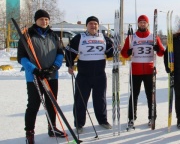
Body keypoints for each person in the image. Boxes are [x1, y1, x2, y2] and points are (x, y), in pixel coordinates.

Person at [17, 9, 66, 144]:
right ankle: (30, 132)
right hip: (34, 77)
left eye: (46, 19)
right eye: (41, 19)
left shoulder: (54, 35)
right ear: (36, 20)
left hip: (51, 75)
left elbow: (60, 53)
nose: (44, 21)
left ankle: (52, 127)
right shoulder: (27, 35)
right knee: (33, 105)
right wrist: (35, 70)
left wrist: (54, 67)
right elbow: (21, 57)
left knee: (52, 103)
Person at [65, 16, 113, 133]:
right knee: (80, 99)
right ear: (86, 26)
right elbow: (69, 51)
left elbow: (110, 53)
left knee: (100, 99)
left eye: (95, 24)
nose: (93, 26)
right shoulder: (79, 37)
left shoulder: (104, 38)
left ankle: (103, 120)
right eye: (91, 24)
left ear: (98, 25)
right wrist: (70, 64)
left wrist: (115, 49)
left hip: (99, 74)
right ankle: (79, 124)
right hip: (84, 74)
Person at [121, 15, 165, 127]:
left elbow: (161, 53)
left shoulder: (153, 37)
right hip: (135, 71)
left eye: (144, 22)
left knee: (151, 95)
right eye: (140, 22)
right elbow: (123, 53)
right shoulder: (132, 37)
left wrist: (158, 48)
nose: (142, 24)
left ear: (147, 24)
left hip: (150, 71)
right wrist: (128, 52)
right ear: (138, 24)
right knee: (133, 95)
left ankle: (152, 117)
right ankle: (131, 117)